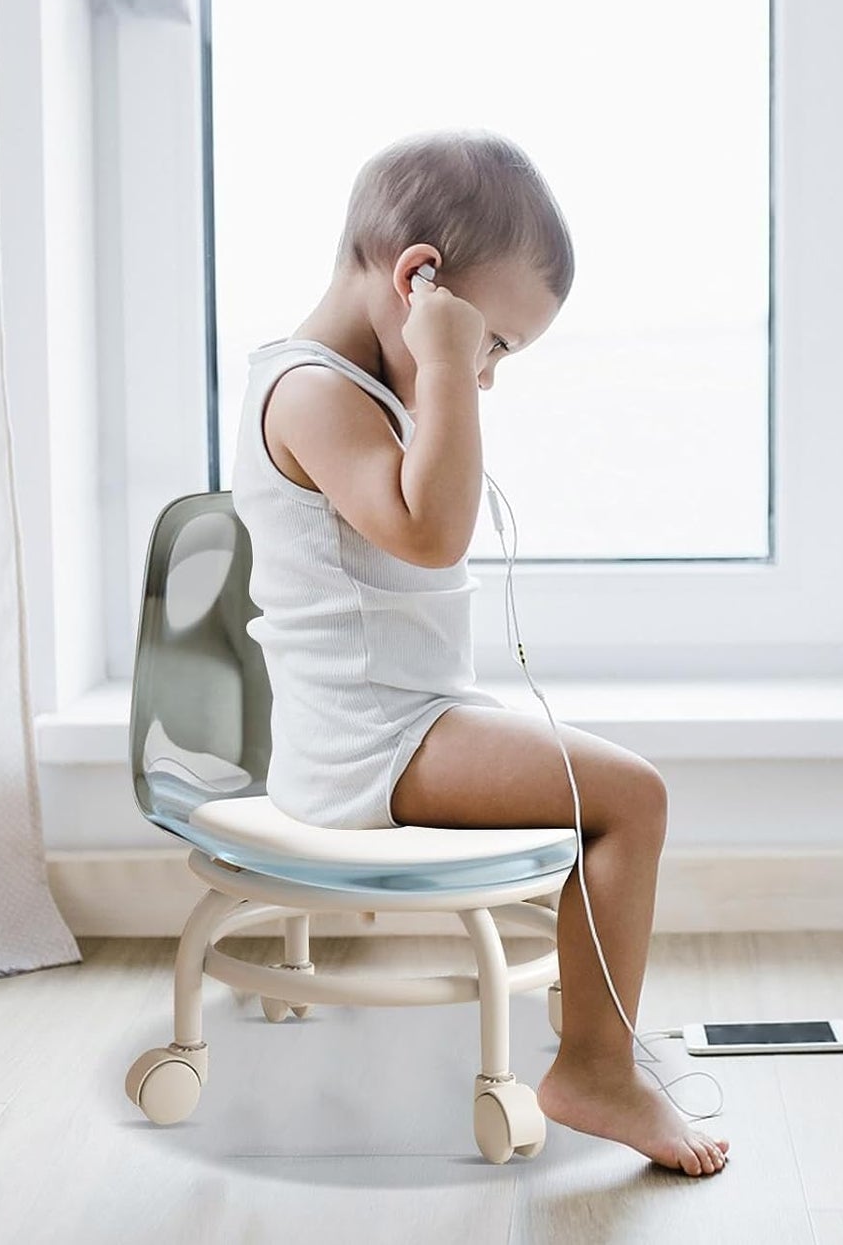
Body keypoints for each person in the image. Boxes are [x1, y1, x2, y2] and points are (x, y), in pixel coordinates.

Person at [230, 127, 730, 1176]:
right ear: (419, 280)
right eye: (495, 342)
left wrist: (444, 366)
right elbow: (429, 530)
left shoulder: (355, 388)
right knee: (631, 796)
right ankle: (593, 1065)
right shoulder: (310, 391)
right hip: (373, 745)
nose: (489, 376)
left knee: (610, 784)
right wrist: (449, 359)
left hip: (397, 723)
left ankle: (599, 1049)